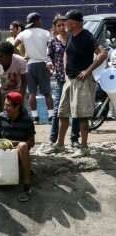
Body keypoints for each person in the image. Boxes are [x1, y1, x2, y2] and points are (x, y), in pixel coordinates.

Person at [46, 10, 107, 157]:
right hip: (70, 80)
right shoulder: (71, 36)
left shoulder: (86, 36)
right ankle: (60, 145)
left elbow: (102, 53)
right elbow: (67, 52)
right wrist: (67, 73)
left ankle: (84, 147)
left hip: (82, 82)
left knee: (82, 115)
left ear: (73, 22)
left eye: (66, 21)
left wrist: (87, 70)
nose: (64, 24)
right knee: (62, 113)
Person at [47, 14, 80, 146]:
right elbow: (48, 57)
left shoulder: (74, 39)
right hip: (61, 79)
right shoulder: (53, 41)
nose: (61, 27)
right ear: (55, 27)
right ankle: (53, 138)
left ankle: (74, 139)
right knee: (58, 110)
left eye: (63, 24)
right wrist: (49, 65)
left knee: (76, 109)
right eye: (58, 25)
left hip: (75, 79)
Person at [14, 12, 52, 115]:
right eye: (40, 20)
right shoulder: (46, 33)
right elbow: (51, 48)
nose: (41, 22)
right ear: (37, 21)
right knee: (47, 93)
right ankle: (51, 115)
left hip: (30, 65)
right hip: (43, 64)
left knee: (32, 93)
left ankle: (35, 116)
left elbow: (13, 46)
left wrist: (21, 58)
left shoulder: (23, 33)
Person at [0, 42, 27, 122]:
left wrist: (20, 100)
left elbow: (24, 82)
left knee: (23, 116)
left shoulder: (20, 62)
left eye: (1, 56)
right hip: (1, 91)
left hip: (17, 91)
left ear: (9, 56)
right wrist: (1, 108)